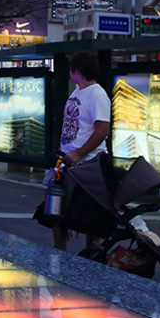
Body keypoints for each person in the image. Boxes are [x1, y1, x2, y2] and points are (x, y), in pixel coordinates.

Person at [54, 51, 111, 251]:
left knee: (88, 215)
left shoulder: (97, 94)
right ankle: (59, 253)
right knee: (57, 211)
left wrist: (79, 153)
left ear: (77, 71)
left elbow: (103, 129)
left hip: (88, 164)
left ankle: (91, 254)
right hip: (68, 162)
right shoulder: (77, 92)